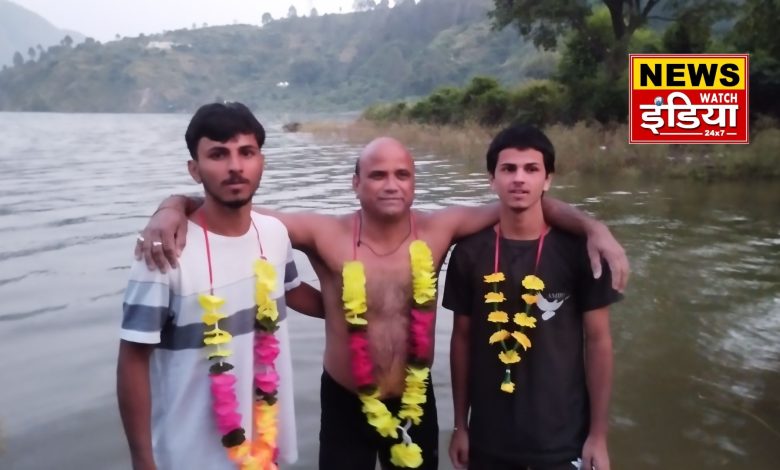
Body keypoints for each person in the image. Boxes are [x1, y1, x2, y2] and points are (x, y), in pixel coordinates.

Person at [136, 136, 629, 469]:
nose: (390, 185)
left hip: (415, 399)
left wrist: (594, 227)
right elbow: (232, 206)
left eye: (401, 175)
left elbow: (525, 202)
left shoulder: (443, 230)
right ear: (356, 183)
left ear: (415, 182)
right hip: (346, 400)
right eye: (376, 175)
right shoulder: (321, 233)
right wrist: (172, 205)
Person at [117, 102, 324, 470]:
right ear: (194, 170)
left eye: (247, 152)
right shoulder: (165, 252)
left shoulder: (274, 234)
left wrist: (368, 309)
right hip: (188, 457)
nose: (234, 166)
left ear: (262, 161)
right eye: (218, 154)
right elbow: (133, 360)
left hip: (265, 448)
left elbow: (293, 293)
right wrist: (142, 461)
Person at [444, 124, 621, 470]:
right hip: (488, 439)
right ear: (491, 179)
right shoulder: (469, 253)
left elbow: (599, 342)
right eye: (508, 169)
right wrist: (460, 426)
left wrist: (598, 436)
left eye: (531, 169)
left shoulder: (582, 252)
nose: (519, 179)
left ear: (548, 180)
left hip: (562, 439)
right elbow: (461, 340)